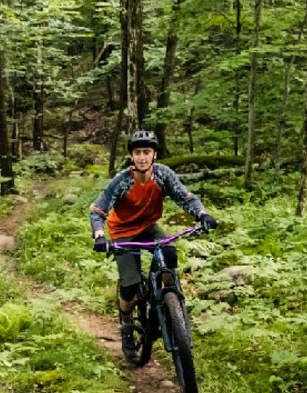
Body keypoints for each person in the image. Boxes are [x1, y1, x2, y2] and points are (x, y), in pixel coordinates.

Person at [89, 130, 218, 353]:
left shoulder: (163, 175)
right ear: (132, 156)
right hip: (123, 232)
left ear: (154, 155)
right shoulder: (121, 181)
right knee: (129, 285)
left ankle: (171, 305)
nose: (142, 157)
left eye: (146, 152)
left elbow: (184, 197)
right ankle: (127, 326)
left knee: (169, 254)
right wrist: (100, 236)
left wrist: (202, 214)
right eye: (137, 152)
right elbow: (98, 210)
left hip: (149, 227)